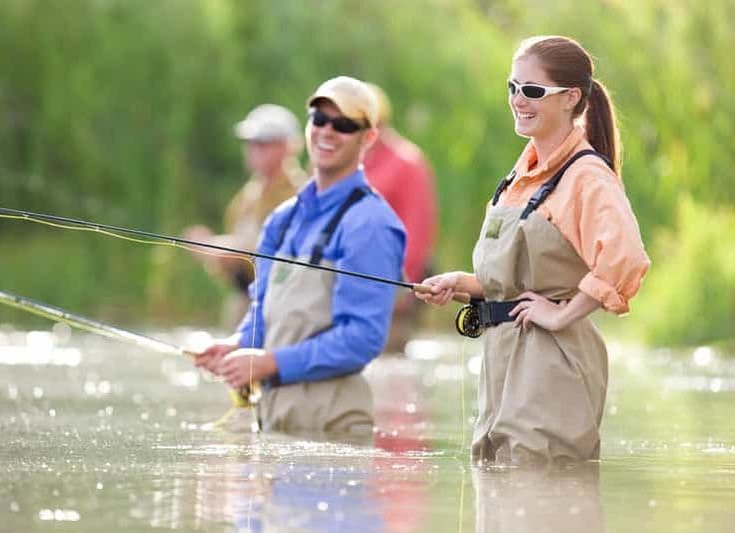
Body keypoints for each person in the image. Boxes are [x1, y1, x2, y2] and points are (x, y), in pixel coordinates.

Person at [416, 36, 650, 465]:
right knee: (498, 492)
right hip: (502, 359)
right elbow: (518, 279)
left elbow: (626, 258)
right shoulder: (518, 176)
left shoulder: (586, 176)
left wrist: (562, 313)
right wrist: (461, 283)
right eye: (513, 87)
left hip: (553, 365)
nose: (518, 100)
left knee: (541, 491)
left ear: (571, 98)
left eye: (533, 91)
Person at [194, 76, 406, 436]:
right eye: (319, 120)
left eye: (343, 124)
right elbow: (263, 309)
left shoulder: (371, 224)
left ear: (367, 138)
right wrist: (237, 345)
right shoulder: (282, 219)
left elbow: (362, 339)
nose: (327, 131)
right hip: (275, 418)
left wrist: (270, 362)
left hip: (333, 423)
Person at [183, 104, 304, 327]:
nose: (253, 149)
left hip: (282, 312)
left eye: (262, 143)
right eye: (249, 143)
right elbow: (232, 270)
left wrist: (231, 248)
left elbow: (292, 259)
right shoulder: (244, 199)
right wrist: (210, 250)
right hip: (243, 306)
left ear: (288, 146)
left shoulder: (301, 195)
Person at [363, 83, 438, 353]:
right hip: (350, 295)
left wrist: (400, 288)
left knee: (388, 385)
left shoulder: (407, 162)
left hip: (390, 299)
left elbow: (417, 233)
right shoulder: (354, 162)